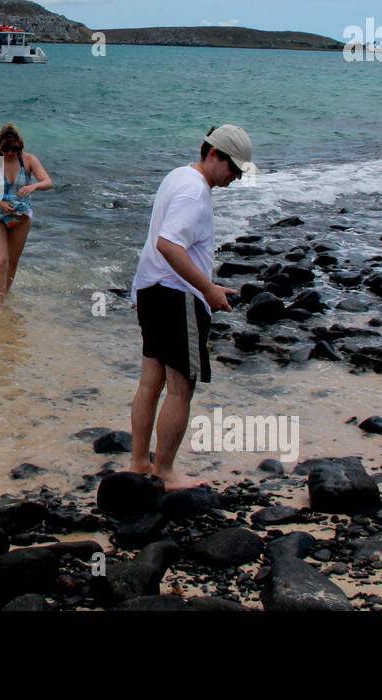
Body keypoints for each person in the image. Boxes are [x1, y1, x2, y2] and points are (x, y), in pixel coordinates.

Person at [128, 124, 254, 490]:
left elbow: (158, 241)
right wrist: (209, 289)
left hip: (152, 289)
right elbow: (169, 244)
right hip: (177, 296)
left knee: (150, 382)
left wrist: (140, 293)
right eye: (233, 168)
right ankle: (165, 471)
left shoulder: (177, 176)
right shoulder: (195, 192)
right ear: (213, 154)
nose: (235, 178)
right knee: (181, 388)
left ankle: (138, 462)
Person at [0, 123, 52, 306]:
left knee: (12, 261)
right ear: (0, 148)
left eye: (14, 150)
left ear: (20, 146)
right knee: (0, 261)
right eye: (7, 150)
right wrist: (1, 204)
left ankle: (4, 294)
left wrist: (33, 186)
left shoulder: (28, 160)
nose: (11, 154)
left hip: (21, 217)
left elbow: (48, 182)